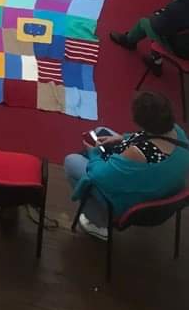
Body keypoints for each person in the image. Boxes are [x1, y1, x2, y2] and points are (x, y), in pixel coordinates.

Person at [65, 91, 189, 241]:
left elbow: (99, 175)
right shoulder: (176, 131)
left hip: (136, 202)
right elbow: (147, 137)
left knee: (71, 161)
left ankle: (99, 223)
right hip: (163, 187)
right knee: (100, 131)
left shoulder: (137, 153)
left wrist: (94, 154)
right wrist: (121, 139)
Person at [110, 0, 189, 74]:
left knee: (145, 23)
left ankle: (129, 41)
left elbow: (158, 27)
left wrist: (159, 15)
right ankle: (156, 61)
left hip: (182, 48)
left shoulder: (179, 6)